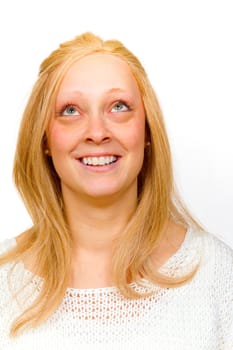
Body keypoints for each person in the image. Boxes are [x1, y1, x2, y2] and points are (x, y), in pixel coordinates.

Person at [0, 32, 232, 349]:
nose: (97, 132)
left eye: (119, 106)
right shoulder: (3, 278)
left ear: (147, 130)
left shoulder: (217, 273)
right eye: (70, 110)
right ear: (44, 140)